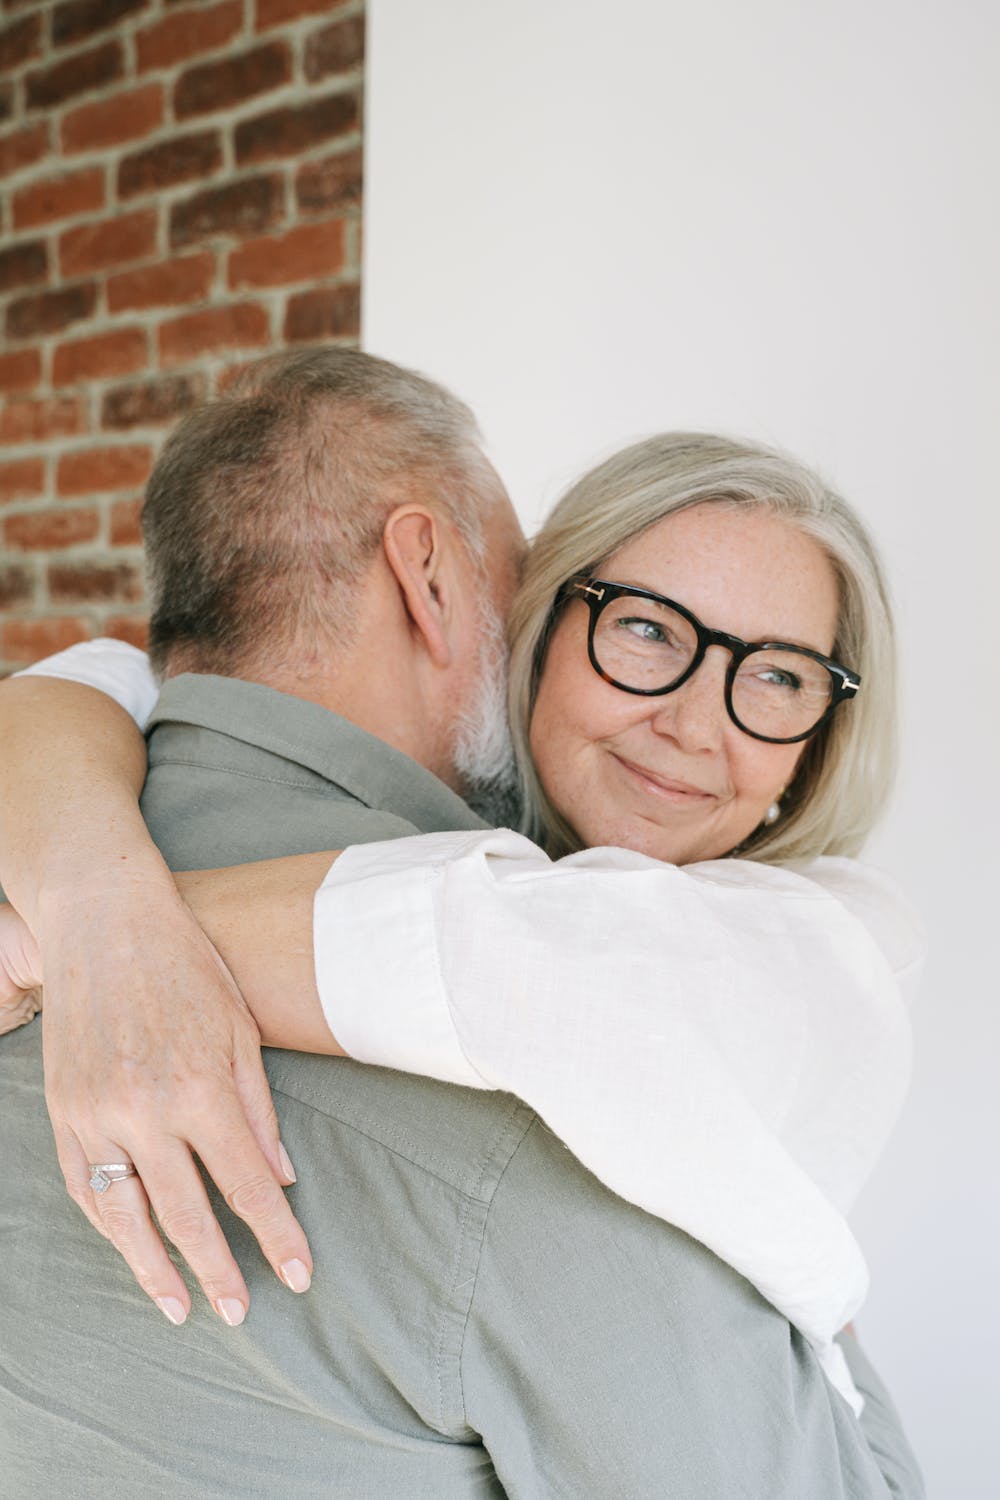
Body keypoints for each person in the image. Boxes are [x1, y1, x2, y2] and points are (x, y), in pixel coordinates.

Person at [0, 352, 923, 1495]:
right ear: (439, 583)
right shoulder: (575, 1128)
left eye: (782, 678)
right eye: (641, 628)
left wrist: (95, 929)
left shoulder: (786, 959)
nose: (694, 724)